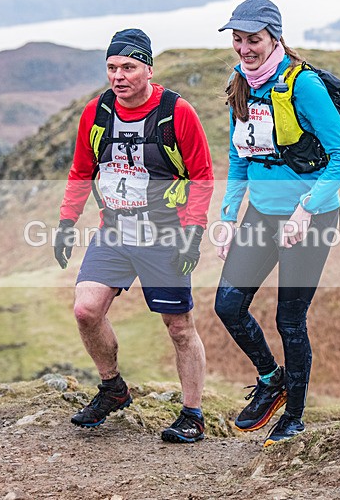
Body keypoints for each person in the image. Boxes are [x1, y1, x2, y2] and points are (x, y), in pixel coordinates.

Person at [53, 28, 214, 443]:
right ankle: (113, 388)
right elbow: (80, 171)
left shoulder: (177, 113)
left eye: (128, 67)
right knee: (85, 311)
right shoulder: (96, 112)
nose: (118, 76)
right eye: (111, 68)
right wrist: (66, 224)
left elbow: (201, 176)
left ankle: (193, 415)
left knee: (179, 326)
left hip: (165, 234)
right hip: (114, 231)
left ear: (148, 68)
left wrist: (193, 234)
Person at [214, 0, 340, 447]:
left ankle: (294, 416)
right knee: (228, 305)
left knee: (289, 321)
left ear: (274, 37)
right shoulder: (240, 83)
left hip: (309, 219)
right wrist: (226, 216)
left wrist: (305, 209)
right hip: (261, 214)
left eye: (253, 40)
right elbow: (240, 158)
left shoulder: (304, 86)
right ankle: (271, 379)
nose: (244, 49)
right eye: (238, 40)